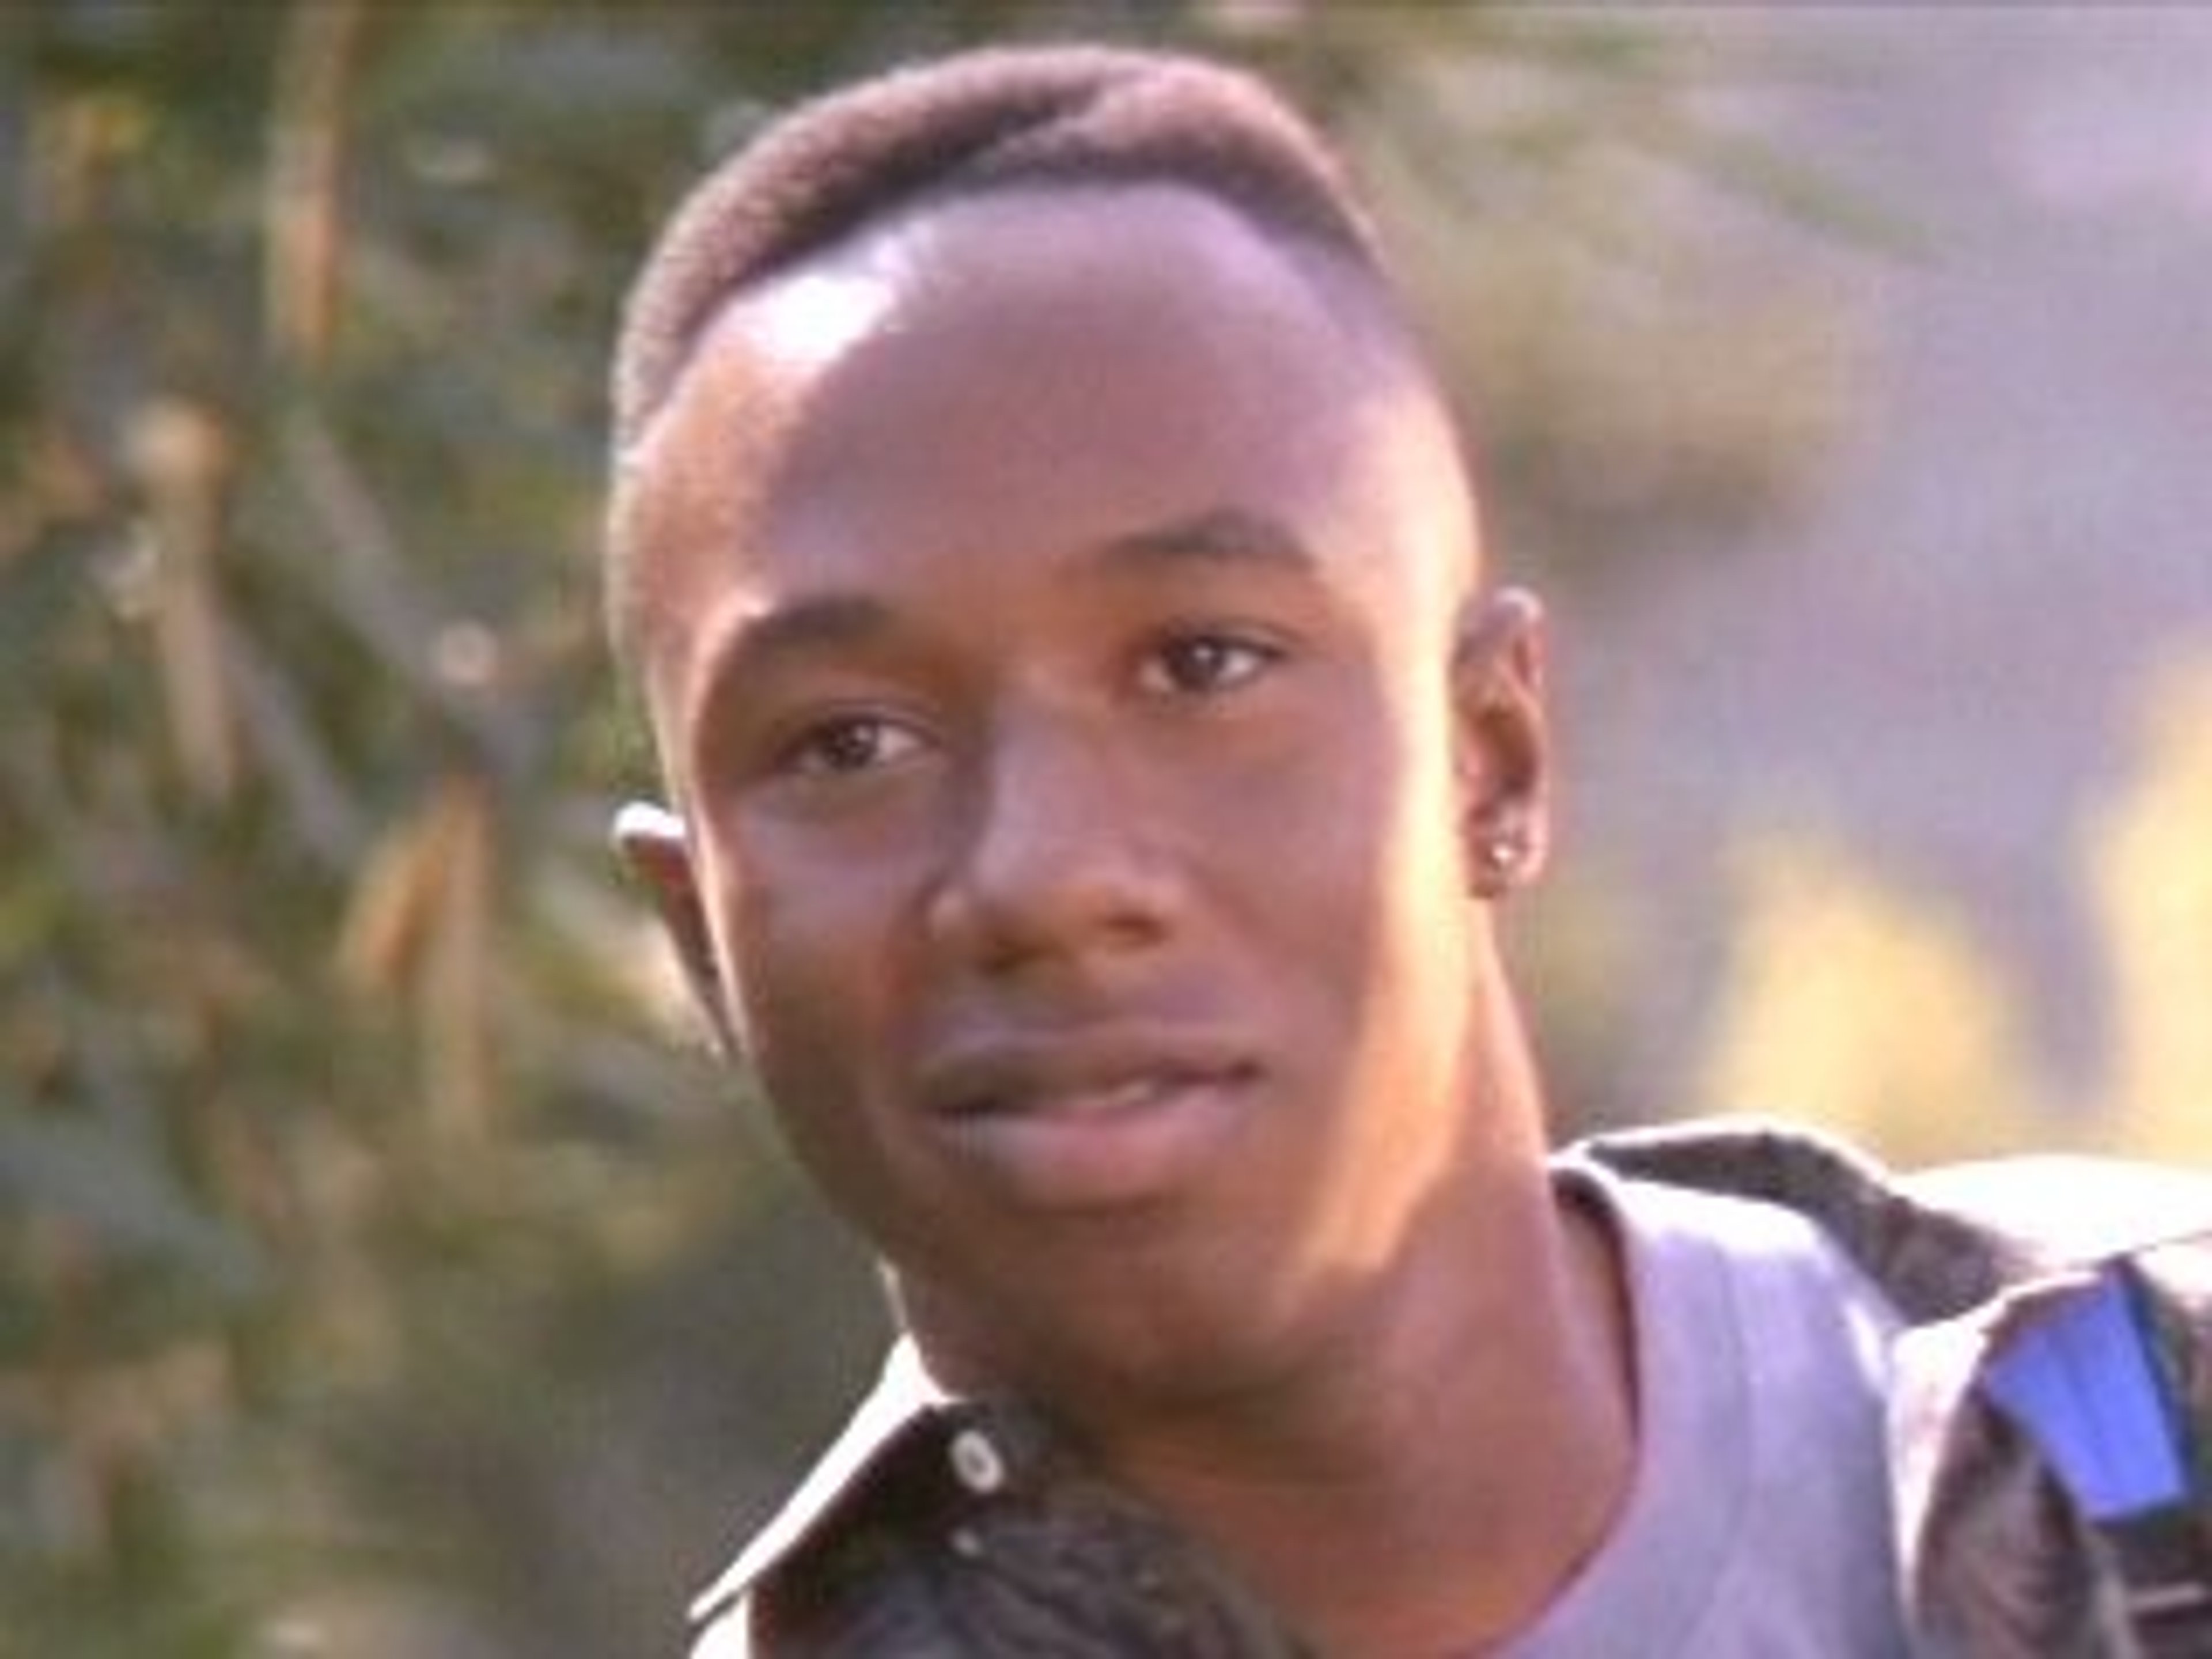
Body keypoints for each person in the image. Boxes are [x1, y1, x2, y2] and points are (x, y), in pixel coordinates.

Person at [600, 43, 2212, 1658]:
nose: (1044, 874)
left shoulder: (2150, 1425)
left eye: (1202, 664)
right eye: (848, 746)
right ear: (703, 946)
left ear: (1489, 758)